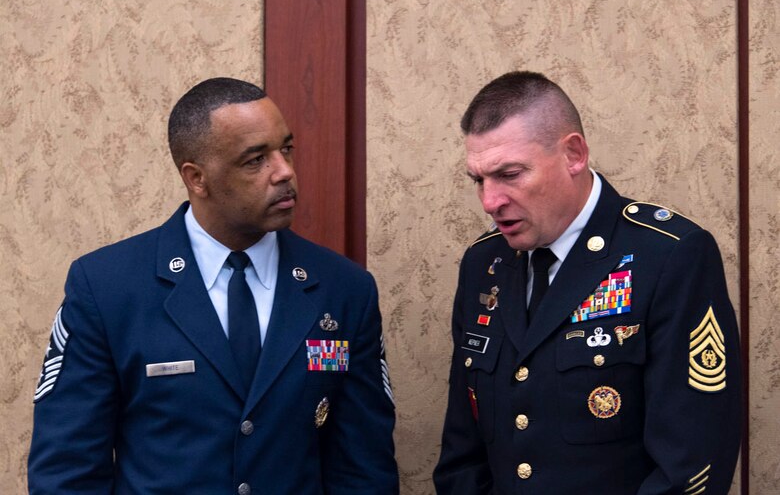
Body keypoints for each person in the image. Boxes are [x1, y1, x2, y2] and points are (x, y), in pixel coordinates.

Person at [28, 77, 399, 494]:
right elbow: (67, 472)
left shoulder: (344, 290)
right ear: (197, 178)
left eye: (286, 149)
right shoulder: (107, 288)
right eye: (255, 160)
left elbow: (364, 471)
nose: (285, 172)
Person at [433, 71, 741, 494]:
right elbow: (462, 452)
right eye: (479, 180)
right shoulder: (484, 263)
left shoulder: (667, 256)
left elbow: (692, 457)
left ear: (573, 154)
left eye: (510, 174)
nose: (490, 201)